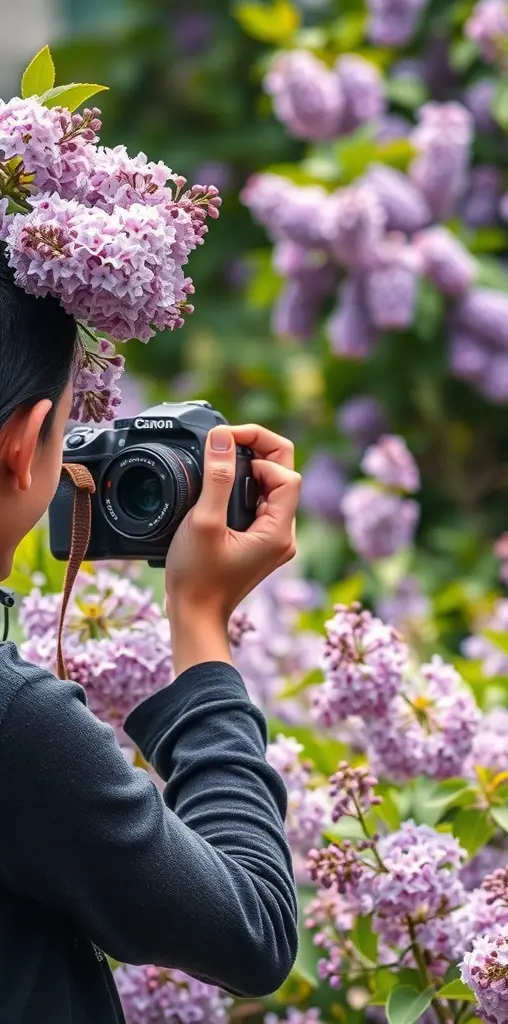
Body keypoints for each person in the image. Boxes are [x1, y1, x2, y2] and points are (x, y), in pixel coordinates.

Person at [0, 245, 301, 1024]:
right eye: (73, 426)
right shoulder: (13, 723)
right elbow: (255, 930)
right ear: (26, 440)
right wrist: (200, 622)